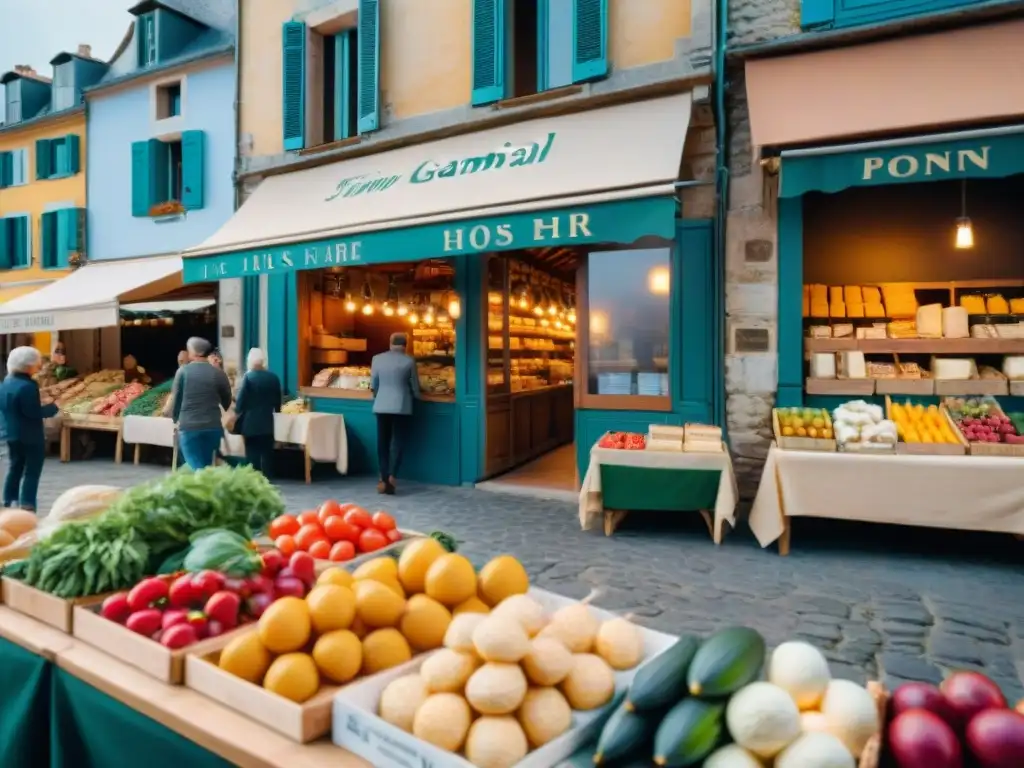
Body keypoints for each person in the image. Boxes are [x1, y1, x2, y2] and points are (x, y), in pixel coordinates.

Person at [0, 347, 58, 511]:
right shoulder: (28, 385)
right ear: (30, 365)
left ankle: (8, 499)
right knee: (32, 470)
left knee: (15, 466)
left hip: (10, 434)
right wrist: (53, 407)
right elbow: (33, 412)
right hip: (30, 435)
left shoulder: (5, 383)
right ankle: (27, 503)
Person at [170, 337, 232, 470]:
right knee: (208, 465)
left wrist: (175, 420)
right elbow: (227, 400)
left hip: (189, 427)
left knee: (195, 467)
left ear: (193, 352)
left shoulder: (183, 372)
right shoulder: (218, 373)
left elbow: (176, 400)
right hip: (213, 427)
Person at [370, 332, 420, 494]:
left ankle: (382, 478)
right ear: (405, 344)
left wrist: (379, 395)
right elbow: (415, 388)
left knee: (382, 442)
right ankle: (392, 476)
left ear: (390, 343)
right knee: (397, 442)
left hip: (381, 405)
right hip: (401, 406)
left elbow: (373, 386)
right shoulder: (409, 361)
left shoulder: (377, 359)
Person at [233, 348, 282, 476]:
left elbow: (240, 403)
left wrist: (236, 412)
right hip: (268, 422)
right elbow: (278, 402)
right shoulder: (273, 378)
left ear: (249, 361)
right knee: (267, 453)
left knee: (252, 454)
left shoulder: (248, 378)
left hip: (250, 423)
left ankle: (254, 478)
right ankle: (268, 477)